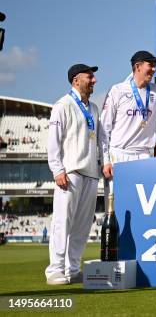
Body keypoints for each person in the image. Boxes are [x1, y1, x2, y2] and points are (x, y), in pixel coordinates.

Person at [46, 64, 102, 285]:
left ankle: (73, 268)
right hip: (70, 172)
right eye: (90, 76)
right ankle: (55, 269)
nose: (94, 80)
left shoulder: (94, 108)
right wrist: (57, 169)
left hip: (90, 173)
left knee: (82, 225)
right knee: (62, 222)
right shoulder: (63, 104)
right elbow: (53, 141)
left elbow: (99, 140)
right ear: (76, 80)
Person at [100, 51, 156, 192]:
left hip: (145, 156)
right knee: (115, 206)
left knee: (142, 206)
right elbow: (104, 129)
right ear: (138, 66)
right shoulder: (118, 90)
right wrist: (105, 161)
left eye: (155, 66)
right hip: (120, 155)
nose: (154, 69)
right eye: (151, 65)